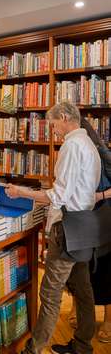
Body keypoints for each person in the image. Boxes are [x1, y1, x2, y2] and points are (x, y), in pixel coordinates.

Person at [5, 102, 101, 354]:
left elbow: (57, 196)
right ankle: (82, 346)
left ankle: (33, 349)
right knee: (83, 290)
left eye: (54, 124)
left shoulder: (72, 144)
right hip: (86, 225)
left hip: (68, 228)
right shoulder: (90, 144)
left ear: (65, 117)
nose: (53, 130)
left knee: (50, 293)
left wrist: (20, 192)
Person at [67, 118, 111, 344]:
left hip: (103, 217)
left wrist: (100, 196)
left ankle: (108, 320)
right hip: (79, 218)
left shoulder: (102, 153)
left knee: (104, 270)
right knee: (78, 268)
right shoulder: (70, 150)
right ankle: (78, 308)